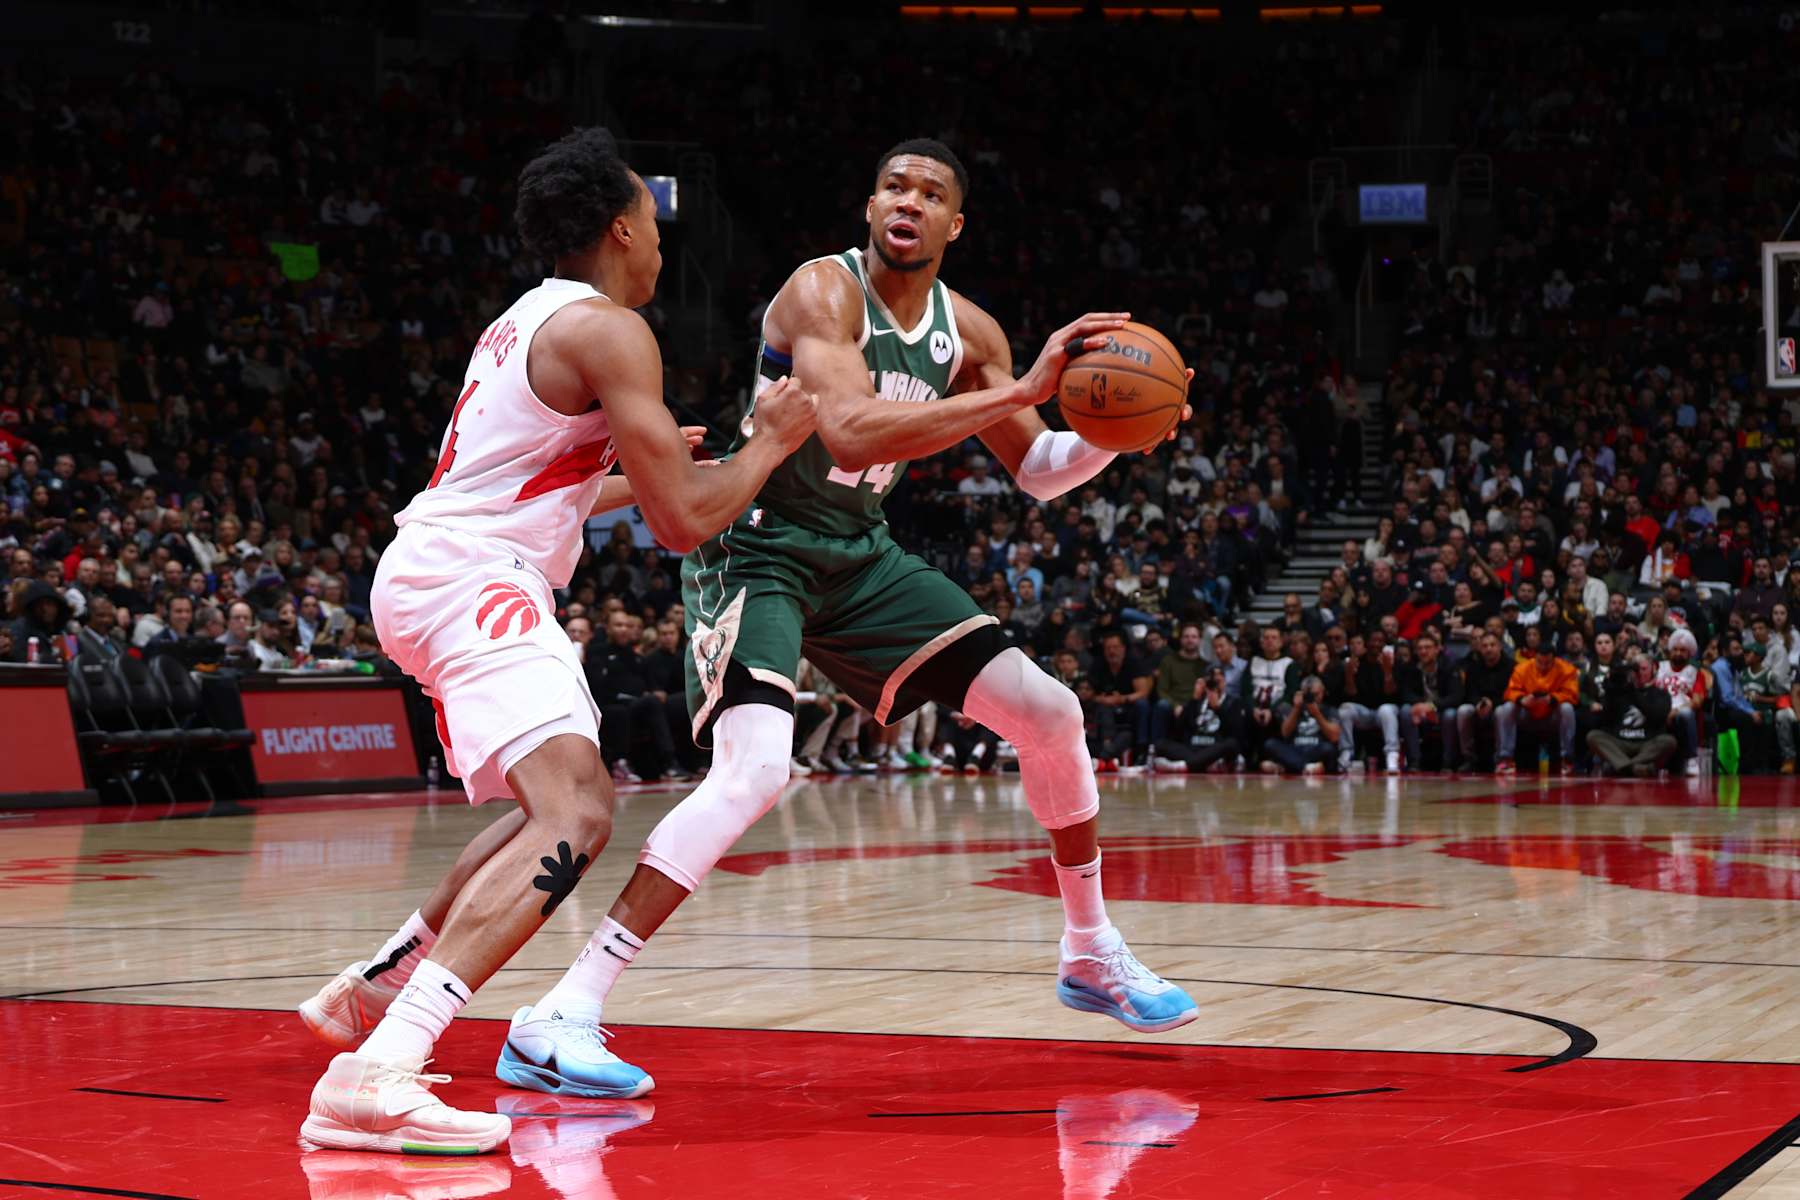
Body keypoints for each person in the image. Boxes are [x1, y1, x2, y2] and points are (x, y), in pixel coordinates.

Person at [295, 128, 818, 1156]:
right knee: (579, 809)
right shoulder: (613, 331)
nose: (664, 242)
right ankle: (382, 1068)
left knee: (554, 804)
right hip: (472, 578)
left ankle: (382, 982)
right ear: (624, 227)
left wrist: (637, 465)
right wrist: (773, 442)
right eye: (654, 222)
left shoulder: (524, 319)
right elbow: (682, 526)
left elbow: (544, 485)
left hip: (438, 565)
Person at [1494, 632, 1579, 774]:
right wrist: (1522, 700)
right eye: (1540, 662)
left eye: (1548, 663)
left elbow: (1572, 694)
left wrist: (1552, 699)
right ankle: (1505, 759)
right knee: (1505, 708)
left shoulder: (1567, 669)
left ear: (1554, 660)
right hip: (1527, 713)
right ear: (1535, 658)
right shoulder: (1522, 668)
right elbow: (1510, 692)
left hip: (1552, 715)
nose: (1543, 666)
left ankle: (1567, 760)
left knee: (1567, 708)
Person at [1586, 650, 1677, 777]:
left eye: (1644, 669)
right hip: (1620, 742)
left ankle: (1621, 766)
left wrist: (1633, 692)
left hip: (1647, 742)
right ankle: (1635, 768)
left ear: (1653, 670)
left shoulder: (1660, 694)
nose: (1640, 673)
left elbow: (1657, 716)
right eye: (1636, 670)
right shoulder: (1620, 691)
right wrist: (1609, 691)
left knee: (1669, 741)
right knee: (1593, 736)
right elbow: (1605, 718)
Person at [1151, 664, 1244, 773]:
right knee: (1160, 744)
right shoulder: (1198, 701)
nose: (1216, 682)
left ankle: (1182, 766)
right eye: (1213, 679)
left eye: (1220, 678)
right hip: (1193, 747)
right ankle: (1205, 764)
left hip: (1216, 748)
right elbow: (1179, 730)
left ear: (1224, 681)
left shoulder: (1233, 702)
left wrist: (1218, 709)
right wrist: (1194, 699)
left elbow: (1237, 734)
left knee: (1231, 744)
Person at [1400, 629, 1460, 771]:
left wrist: (1432, 706)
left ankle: (1448, 762)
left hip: (1442, 709)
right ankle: (1415, 761)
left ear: (1437, 649)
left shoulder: (1449, 666)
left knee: (1451, 715)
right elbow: (1405, 693)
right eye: (1420, 648)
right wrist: (1421, 706)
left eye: (1427, 648)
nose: (1423, 651)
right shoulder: (1411, 668)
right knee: (1405, 711)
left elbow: (1456, 696)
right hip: (1422, 710)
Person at [1452, 631, 1512, 772]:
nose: (1488, 649)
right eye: (1484, 646)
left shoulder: (1511, 666)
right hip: (1479, 707)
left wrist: (1493, 703)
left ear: (1500, 647)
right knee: (1463, 710)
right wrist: (1479, 703)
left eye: (1492, 645)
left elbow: (1511, 693)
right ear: (1480, 648)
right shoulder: (1473, 667)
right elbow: (1468, 693)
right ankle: (1468, 758)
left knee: (1503, 710)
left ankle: (1502, 759)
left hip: (1500, 706)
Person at [1259, 674, 1339, 775]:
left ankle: (1287, 767)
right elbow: (1285, 733)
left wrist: (1317, 714)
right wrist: (1296, 708)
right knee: (1270, 744)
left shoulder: (1329, 710)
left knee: (1329, 749)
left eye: (1316, 694)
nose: (1313, 698)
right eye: (1309, 695)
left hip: (1316, 749)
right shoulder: (1292, 709)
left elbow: (1334, 737)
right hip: (1294, 749)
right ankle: (1306, 768)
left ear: (1323, 692)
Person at [1740, 640, 1796, 773]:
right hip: (1747, 711)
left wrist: (1761, 698)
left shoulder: (1770, 675)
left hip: (1764, 710)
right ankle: (1748, 765)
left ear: (1759, 656)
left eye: (1749, 653)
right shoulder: (1743, 673)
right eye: (1745, 653)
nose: (1745, 656)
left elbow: (1778, 697)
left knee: (1768, 721)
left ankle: (1764, 764)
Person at [1654, 628, 1705, 773]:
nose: (1678, 653)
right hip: (1658, 709)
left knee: (1687, 714)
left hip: (1680, 712)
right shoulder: (1659, 668)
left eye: (1683, 650)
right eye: (1675, 649)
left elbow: (1697, 702)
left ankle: (1692, 759)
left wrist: (1675, 711)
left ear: (1689, 653)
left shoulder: (1695, 673)